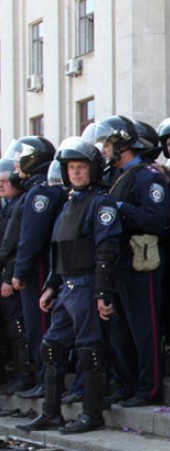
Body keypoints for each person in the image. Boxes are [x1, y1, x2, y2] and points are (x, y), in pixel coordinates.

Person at [16, 136, 120, 434]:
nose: (75, 172)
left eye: (81, 167)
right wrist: (51, 285)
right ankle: (51, 412)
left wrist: (102, 292)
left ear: (92, 169)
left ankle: (92, 413)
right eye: (71, 167)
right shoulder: (68, 203)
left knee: (89, 348)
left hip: (87, 284)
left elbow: (106, 250)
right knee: (51, 346)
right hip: (66, 286)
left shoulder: (101, 203)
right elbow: (57, 249)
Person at [93, 116, 170, 406]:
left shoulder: (147, 176)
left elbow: (156, 220)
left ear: (123, 144)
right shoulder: (114, 177)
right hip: (120, 261)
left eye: (108, 144)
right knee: (120, 329)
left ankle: (149, 389)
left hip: (142, 262)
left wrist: (121, 207)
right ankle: (127, 385)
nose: (104, 150)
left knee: (144, 328)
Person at [7, 136, 65, 398]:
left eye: (21, 157)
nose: (17, 163)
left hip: (39, 268)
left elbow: (30, 237)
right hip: (41, 266)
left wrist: (19, 272)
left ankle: (47, 380)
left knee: (39, 327)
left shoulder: (39, 191)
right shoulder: (37, 188)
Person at [0, 159, 35, 393]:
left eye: (4, 181)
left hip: (11, 276)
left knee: (18, 329)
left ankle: (26, 376)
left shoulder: (21, 202)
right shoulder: (7, 204)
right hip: (5, 273)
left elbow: (18, 244)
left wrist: (8, 276)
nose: (1, 186)